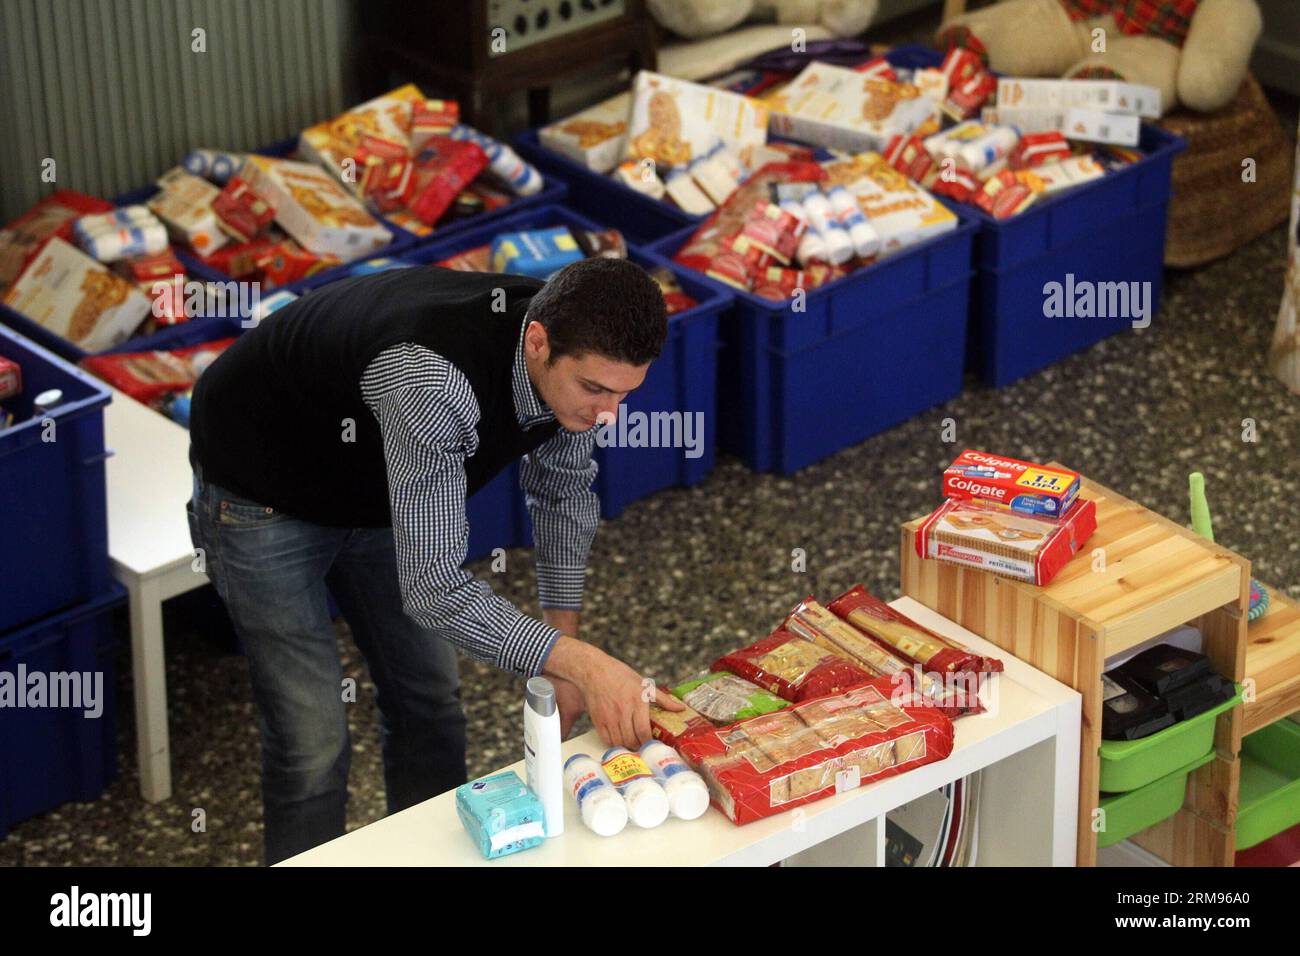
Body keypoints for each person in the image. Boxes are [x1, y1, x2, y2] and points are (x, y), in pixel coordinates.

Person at [186, 257, 685, 864]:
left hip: (378, 480)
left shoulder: (574, 340)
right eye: (595, 391)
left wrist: (562, 648)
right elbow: (433, 589)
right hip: (261, 488)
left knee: (428, 700)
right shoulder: (431, 381)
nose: (609, 416)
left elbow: (561, 492)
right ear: (536, 342)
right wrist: (585, 665)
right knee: (311, 740)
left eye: (626, 395)